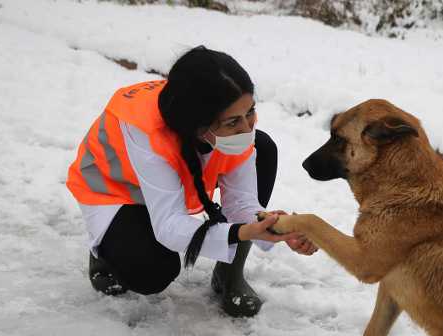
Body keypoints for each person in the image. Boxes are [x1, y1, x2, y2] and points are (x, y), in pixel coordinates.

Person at [66, 46, 315, 317]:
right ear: (198, 125)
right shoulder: (146, 133)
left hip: (172, 179)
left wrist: (277, 227)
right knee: (152, 271)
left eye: (251, 111)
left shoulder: (234, 125)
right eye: (233, 122)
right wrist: (241, 231)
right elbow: (169, 225)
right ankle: (104, 250)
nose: (247, 128)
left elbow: (242, 203)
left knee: (264, 149)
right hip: (119, 193)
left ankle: (229, 271)